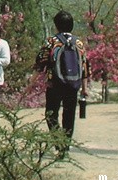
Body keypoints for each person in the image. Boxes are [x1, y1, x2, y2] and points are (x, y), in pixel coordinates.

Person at [35, 10, 89, 157]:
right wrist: (84, 88)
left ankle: (58, 141)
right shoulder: (79, 43)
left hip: (55, 84)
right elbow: (85, 67)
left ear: (56, 25)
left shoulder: (51, 41)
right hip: (73, 85)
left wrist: (31, 82)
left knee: (51, 114)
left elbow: (40, 63)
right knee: (69, 115)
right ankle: (65, 145)